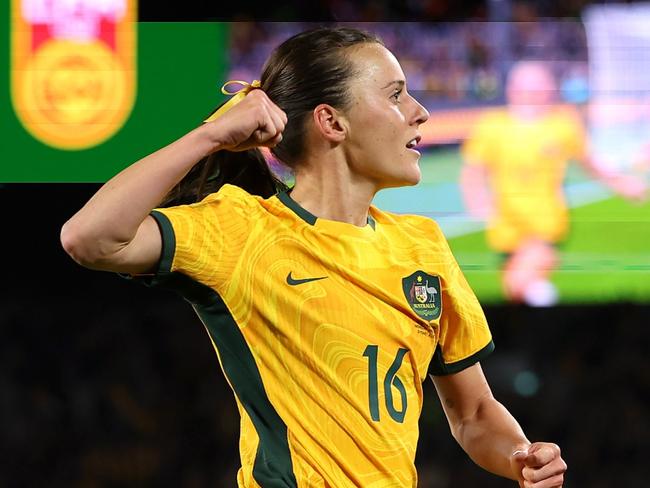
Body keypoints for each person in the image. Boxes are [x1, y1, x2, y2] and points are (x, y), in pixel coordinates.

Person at [61, 27, 567, 487]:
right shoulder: (241, 230)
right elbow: (90, 238)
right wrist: (210, 135)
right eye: (395, 94)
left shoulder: (424, 245)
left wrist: (519, 455)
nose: (420, 111)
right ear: (331, 121)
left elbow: (475, 412)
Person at [461, 61, 646, 306]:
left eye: (542, 85)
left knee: (522, 281)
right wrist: (477, 203)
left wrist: (622, 184)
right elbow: (473, 170)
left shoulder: (563, 124)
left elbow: (590, 162)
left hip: (545, 225)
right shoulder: (492, 125)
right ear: (513, 89)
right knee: (516, 292)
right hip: (505, 228)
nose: (539, 91)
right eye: (530, 86)